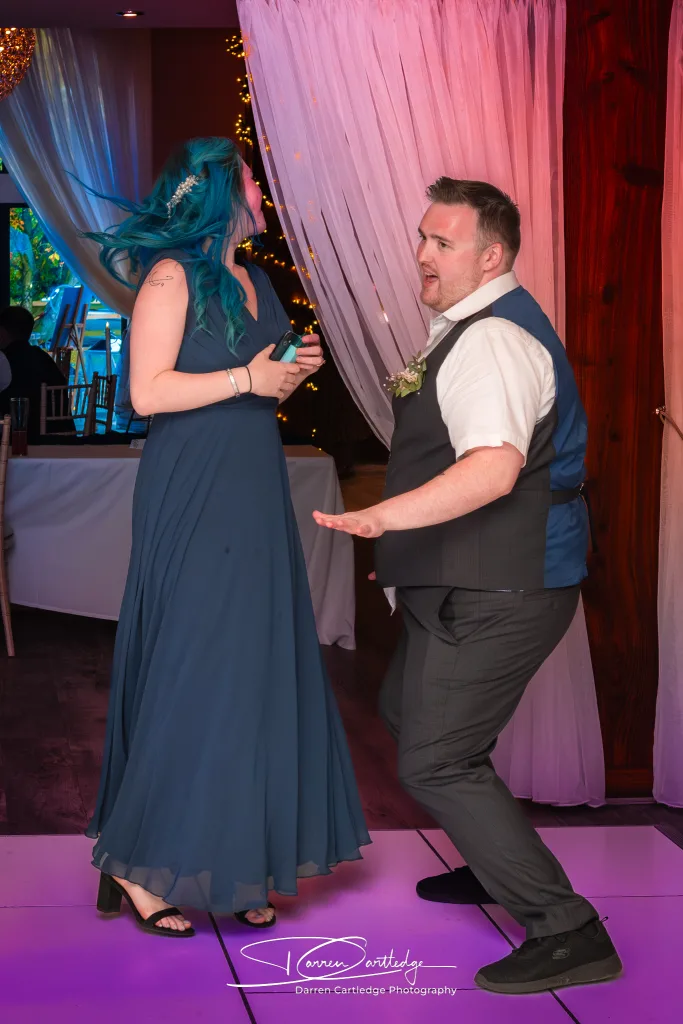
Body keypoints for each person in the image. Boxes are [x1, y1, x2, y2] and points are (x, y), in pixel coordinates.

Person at [313, 178, 621, 995]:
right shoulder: (471, 329)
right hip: (472, 578)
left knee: (437, 758)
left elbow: (491, 469)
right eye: (422, 237)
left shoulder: (490, 340)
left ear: (490, 256)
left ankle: (567, 930)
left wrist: (384, 518)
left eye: (441, 243)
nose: (421, 254)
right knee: (410, 715)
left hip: (503, 584)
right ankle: (497, 860)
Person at [84, 137, 371, 937]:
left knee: (251, 670)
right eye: (250, 180)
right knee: (193, 665)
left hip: (252, 482)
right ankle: (136, 864)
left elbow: (250, 376)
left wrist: (288, 366)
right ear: (217, 193)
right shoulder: (171, 277)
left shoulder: (256, 280)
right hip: (194, 486)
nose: (260, 193)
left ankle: (236, 857)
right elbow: (147, 392)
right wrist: (251, 377)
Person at [0, 305, 74, 440]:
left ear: (2, 333)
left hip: (20, 437)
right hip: (60, 433)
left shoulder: (4, 361)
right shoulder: (44, 358)